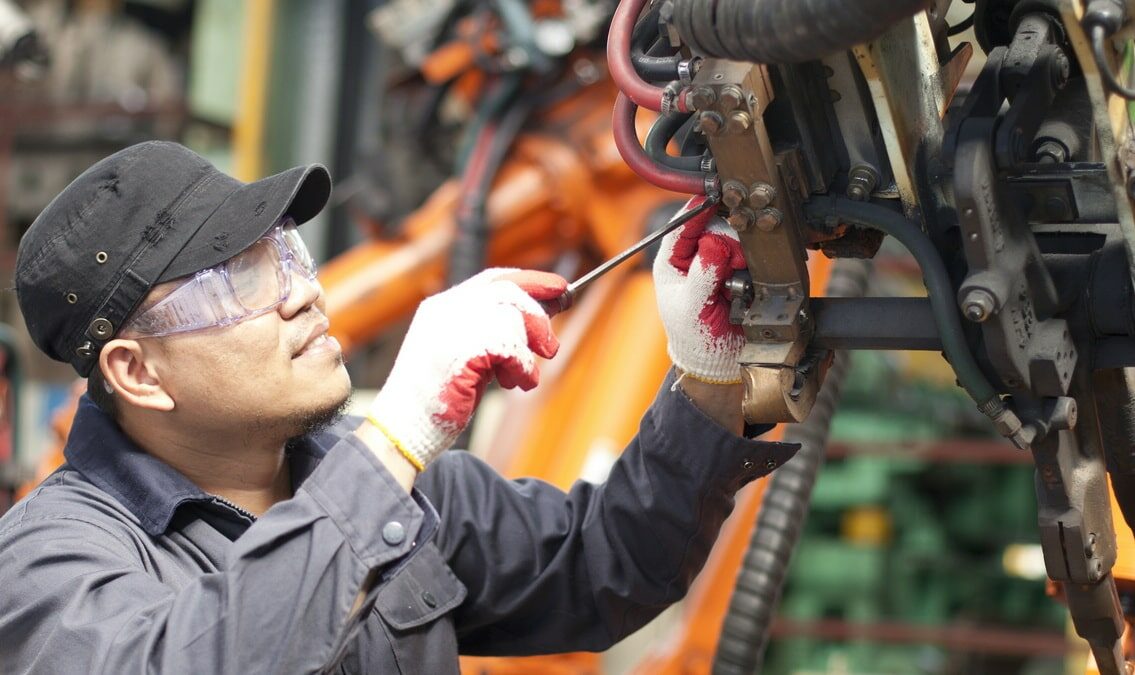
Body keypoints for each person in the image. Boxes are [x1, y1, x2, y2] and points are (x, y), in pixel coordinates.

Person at [0, 141, 797, 673]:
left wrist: (705, 372)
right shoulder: (48, 563)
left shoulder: (398, 489)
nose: (304, 295)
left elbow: (607, 564)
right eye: (241, 279)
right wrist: (394, 442)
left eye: (288, 254)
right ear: (137, 372)